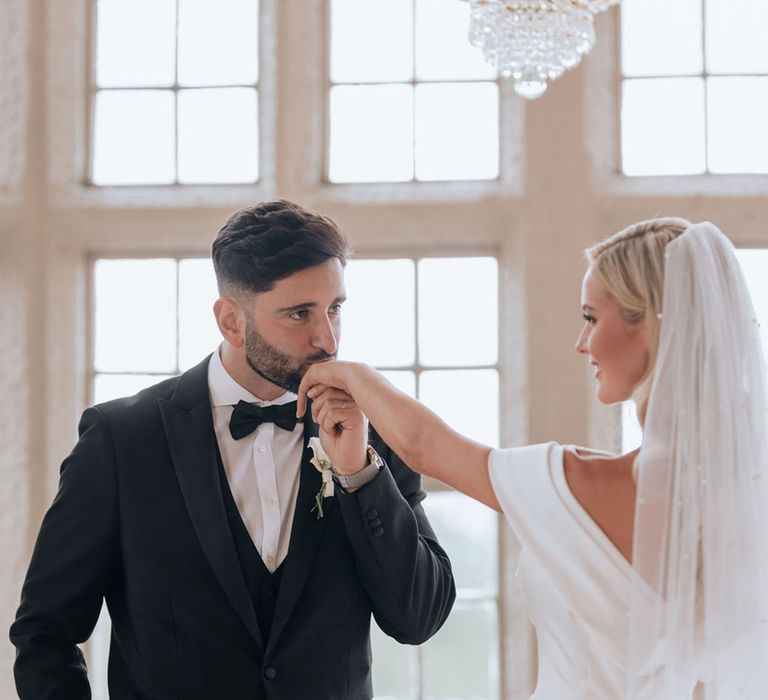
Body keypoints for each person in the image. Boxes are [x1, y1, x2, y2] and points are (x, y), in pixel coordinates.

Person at [297, 218, 768, 699]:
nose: (581, 343)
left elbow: (425, 446)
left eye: (590, 318)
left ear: (647, 324)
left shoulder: (580, 482)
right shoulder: (749, 502)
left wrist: (348, 376)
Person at [10, 200, 456, 699]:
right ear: (231, 322)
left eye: (334, 308)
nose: (327, 339)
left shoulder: (375, 434)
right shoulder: (121, 441)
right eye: (299, 313)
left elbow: (419, 618)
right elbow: (44, 633)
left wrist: (357, 473)